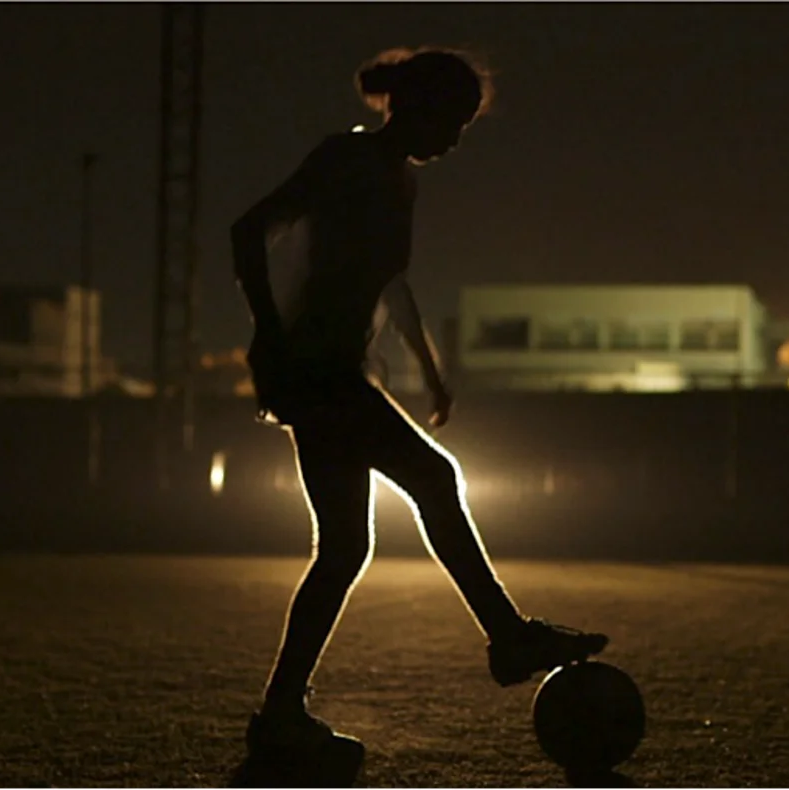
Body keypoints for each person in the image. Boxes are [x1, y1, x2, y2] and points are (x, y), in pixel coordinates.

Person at [230, 47, 609, 757]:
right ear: (412, 107)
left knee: (345, 548)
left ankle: (279, 717)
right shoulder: (346, 160)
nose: (456, 140)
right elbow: (248, 230)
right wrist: (270, 335)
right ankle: (508, 637)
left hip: (331, 374)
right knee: (431, 480)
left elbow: (388, 284)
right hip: (316, 373)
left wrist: (430, 370)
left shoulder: (398, 182)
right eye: (452, 121)